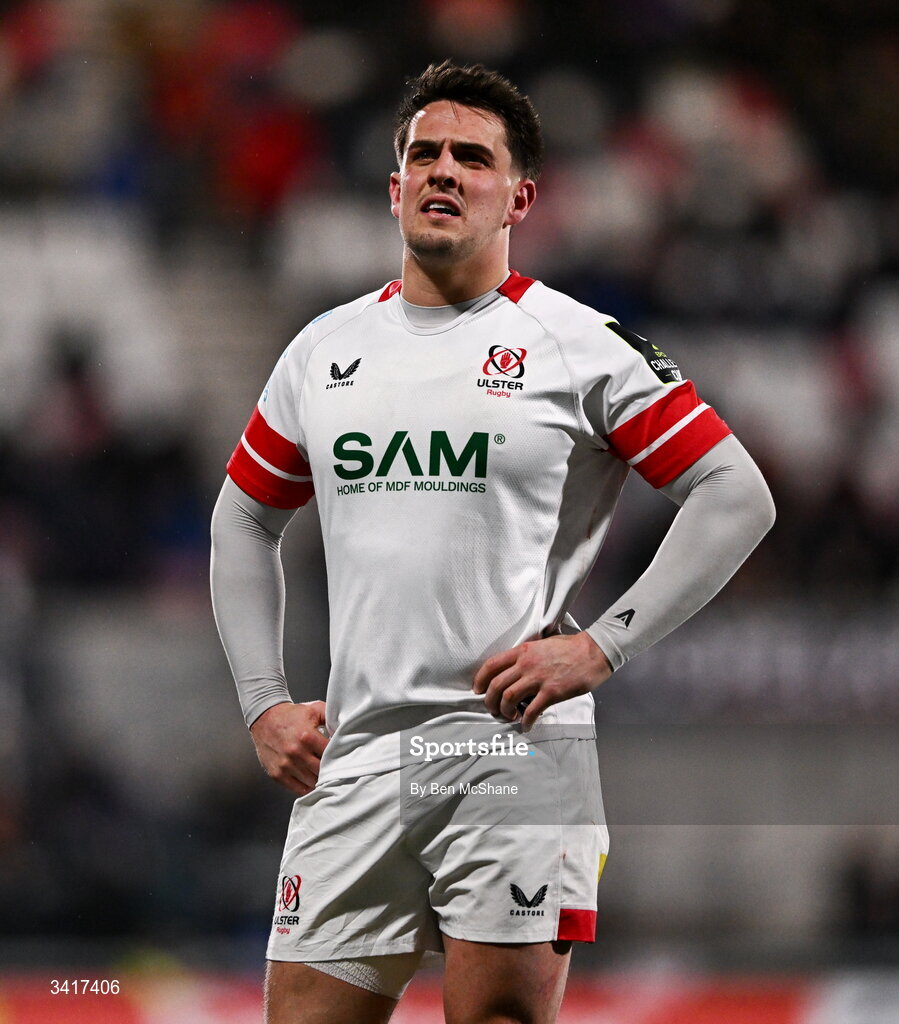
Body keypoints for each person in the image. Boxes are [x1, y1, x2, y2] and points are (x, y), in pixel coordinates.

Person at [210, 60, 775, 1024]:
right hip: (355, 755)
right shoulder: (323, 351)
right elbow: (242, 517)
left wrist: (602, 643)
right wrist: (263, 701)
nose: (441, 171)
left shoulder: (577, 343)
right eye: (421, 154)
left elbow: (734, 492)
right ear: (392, 189)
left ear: (518, 196)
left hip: (509, 752)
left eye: (470, 157)